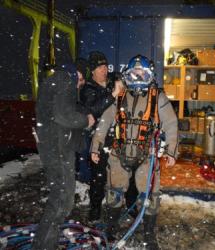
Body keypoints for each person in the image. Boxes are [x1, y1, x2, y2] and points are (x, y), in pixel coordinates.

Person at [91, 55, 178, 249]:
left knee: (150, 197)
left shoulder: (158, 98)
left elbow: (171, 124)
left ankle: (149, 234)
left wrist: (171, 151)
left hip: (146, 156)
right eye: (134, 74)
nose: (138, 78)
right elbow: (104, 122)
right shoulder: (119, 96)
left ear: (150, 75)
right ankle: (111, 228)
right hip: (119, 154)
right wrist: (95, 145)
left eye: (142, 74)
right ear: (127, 76)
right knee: (114, 194)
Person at [31, 59, 95, 250]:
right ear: (79, 74)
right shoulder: (66, 79)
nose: (81, 84)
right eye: (82, 80)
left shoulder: (56, 80)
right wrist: (86, 120)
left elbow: (55, 114)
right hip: (57, 150)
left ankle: (43, 244)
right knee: (61, 201)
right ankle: (44, 246)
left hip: (54, 148)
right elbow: (63, 115)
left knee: (60, 200)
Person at [78, 51, 124, 222]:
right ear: (92, 70)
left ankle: (122, 203)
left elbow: (120, 76)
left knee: (122, 173)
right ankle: (95, 208)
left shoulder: (111, 80)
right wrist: (112, 94)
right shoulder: (88, 89)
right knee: (99, 177)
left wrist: (121, 77)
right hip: (99, 139)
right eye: (100, 67)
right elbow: (94, 110)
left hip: (119, 136)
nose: (104, 70)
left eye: (106, 66)